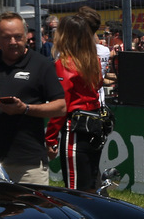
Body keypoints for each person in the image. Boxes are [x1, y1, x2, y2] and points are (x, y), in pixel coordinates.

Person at [0, 13, 66, 184]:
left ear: (26, 36)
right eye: (6, 37)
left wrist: (25, 109)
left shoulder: (41, 64)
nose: (13, 42)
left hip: (28, 164)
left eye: (18, 37)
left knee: (31, 210)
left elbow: (61, 107)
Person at [45, 15, 107, 191]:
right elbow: (99, 84)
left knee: (74, 189)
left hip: (75, 128)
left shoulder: (64, 64)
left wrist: (50, 139)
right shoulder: (92, 61)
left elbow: (61, 105)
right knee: (90, 183)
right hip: (95, 125)